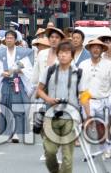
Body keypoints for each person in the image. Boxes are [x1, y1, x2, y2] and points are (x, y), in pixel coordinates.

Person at [78, 37, 111, 161]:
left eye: (98, 47)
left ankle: (105, 149)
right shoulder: (83, 65)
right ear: (89, 49)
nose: (95, 49)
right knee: (88, 124)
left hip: (103, 100)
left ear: (102, 50)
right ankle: (88, 152)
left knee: (101, 128)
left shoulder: (109, 65)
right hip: (88, 99)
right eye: (93, 47)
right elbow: (79, 84)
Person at [36, 41, 82, 173]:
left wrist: (88, 115)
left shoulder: (78, 73)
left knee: (67, 158)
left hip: (71, 117)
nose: (63, 55)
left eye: (67, 53)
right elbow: (39, 90)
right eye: (61, 53)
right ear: (57, 54)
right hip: (51, 116)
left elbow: (84, 94)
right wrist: (48, 99)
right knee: (50, 152)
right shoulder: (49, 70)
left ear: (72, 56)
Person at [0, 29, 34, 143]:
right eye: (7, 38)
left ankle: (16, 132)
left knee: (18, 109)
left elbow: (28, 68)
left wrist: (21, 71)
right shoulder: (0, 53)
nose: (9, 40)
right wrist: (1, 72)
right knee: (6, 108)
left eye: (11, 38)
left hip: (17, 83)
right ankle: (8, 132)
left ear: (15, 40)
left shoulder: (22, 53)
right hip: (6, 83)